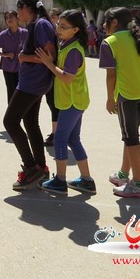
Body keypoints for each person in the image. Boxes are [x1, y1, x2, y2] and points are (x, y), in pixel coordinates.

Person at [35, 10, 96, 194]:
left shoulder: (73, 50)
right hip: (74, 101)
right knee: (73, 139)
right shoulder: (66, 44)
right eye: (58, 25)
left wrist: (48, 63)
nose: (58, 29)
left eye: (63, 26)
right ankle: (86, 180)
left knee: (60, 138)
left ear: (76, 29)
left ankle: (60, 181)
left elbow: (67, 78)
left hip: (73, 101)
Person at [99, 7, 140, 198]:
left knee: (131, 138)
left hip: (128, 94)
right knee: (130, 135)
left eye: (106, 21)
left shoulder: (110, 42)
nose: (103, 25)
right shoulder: (138, 37)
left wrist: (109, 98)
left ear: (114, 23)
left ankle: (139, 184)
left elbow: (111, 75)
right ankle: (123, 174)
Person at [4, 0, 56, 190]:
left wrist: (24, 57)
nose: (18, 14)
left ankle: (30, 167)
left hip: (32, 84)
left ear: (26, 7)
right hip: (34, 82)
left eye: (18, 10)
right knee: (30, 122)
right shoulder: (39, 24)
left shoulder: (41, 25)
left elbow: (50, 55)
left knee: (10, 121)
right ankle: (41, 167)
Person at [0, 10, 27, 103]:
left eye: (11, 17)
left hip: (22, 68)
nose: (9, 19)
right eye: (7, 18)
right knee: (11, 92)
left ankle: (21, 113)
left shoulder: (25, 33)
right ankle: (12, 114)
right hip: (8, 69)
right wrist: (4, 55)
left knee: (22, 92)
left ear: (17, 18)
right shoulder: (3, 35)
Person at [43, 7, 62, 147]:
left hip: (58, 72)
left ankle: (57, 133)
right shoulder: (52, 32)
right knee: (51, 103)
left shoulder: (60, 34)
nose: (53, 20)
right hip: (51, 71)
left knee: (55, 104)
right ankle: (56, 132)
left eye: (54, 17)